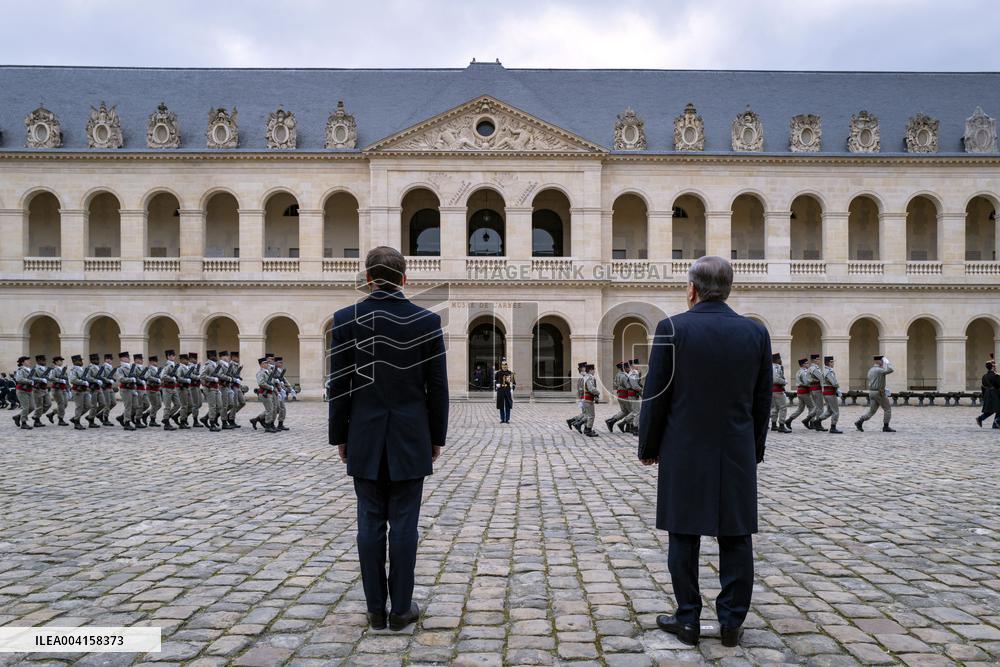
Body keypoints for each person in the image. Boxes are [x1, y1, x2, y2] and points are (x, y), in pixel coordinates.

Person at [638, 256, 770, 649]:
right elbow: (762, 400)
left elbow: (655, 396)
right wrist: (754, 449)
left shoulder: (671, 328)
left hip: (683, 448)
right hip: (735, 449)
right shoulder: (755, 333)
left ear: (692, 289)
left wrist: (649, 446)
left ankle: (689, 618)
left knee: (684, 534)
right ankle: (731, 623)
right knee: (736, 536)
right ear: (728, 289)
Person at [329, 246, 448, 632]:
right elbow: (437, 388)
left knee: (369, 524)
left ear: (367, 279)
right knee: (405, 525)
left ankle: (375, 610)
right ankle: (401, 610)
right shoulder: (427, 321)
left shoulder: (346, 319)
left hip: (363, 436)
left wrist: (340, 436)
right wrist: (435, 436)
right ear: (404, 279)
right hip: (411, 437)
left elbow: (340, 385)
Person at [855, 355, 896, 432]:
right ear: (879, 361)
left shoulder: (870, 370)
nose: (883, 362)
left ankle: (860, 421)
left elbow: (874, 380)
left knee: (872, 411)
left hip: (872, 392)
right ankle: (886, 427)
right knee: (887, 409)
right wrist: (888, 363)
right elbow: (891, 369)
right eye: (882, 361)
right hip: (879, 392)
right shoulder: (879, 370)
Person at [783, 358, 812, 431]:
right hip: (805, 392)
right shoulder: (804, 372)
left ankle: (789, 420)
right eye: (806, 363)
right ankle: (810, 422)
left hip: (800, 391)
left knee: (800, 409)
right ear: (803, 365)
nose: (808, 364)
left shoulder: (798, 372)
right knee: (812, 407)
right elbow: (806, 382)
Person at [250, 356, 277, 433]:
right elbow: (261, 383)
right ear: (261, 365)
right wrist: (271, 387)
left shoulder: (267, 372)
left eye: (267, 363)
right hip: (264, 393)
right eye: (265, 363)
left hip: (269, 393)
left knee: (271, 409)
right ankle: (268, 426)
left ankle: (259, 421)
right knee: (269, 410)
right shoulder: (260, 373)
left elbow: (271, 381)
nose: (266, 364)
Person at [605, 361, 630, 433]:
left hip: (620, 395)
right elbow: (628, 386)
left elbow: (615, 385)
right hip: (625, 394)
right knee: (632, 412)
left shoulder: (617, 375)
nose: (628, 368)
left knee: (624, 411)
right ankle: (627, 426)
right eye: (627, 367)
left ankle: (611, 421)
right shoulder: (624, 376)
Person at [820, 356, 842, 434]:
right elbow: (834, 382)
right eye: (832, 362)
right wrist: (838, 389)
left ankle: (818, 421)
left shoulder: (827, 370)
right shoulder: (828, 371)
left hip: (827, 392)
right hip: (830, 393)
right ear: (829, 363)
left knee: (829, 411)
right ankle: (833, 427)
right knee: (836, 411)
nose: (833, 363)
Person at [975, 359, 1000, 429]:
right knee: (997, 409)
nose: (995, 367)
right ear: (992, 367)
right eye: (994, 366)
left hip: (987, 394)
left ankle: (981, 419)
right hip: (995, 394)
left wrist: (984, 396)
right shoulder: (996, 376)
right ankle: (997, 421)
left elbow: (983, 386)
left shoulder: (984, 376)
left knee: (992, 410)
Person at [769, 353, 791, 433]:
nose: (780, 360)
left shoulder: (770, 366)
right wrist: (784, 381)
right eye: (779, 358)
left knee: (775, 408)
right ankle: (781, 425)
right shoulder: (776, 367)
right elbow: (775, 379)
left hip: (772, 390)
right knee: (783, 407)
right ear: (777, 359)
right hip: (778, 390)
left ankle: (774, 425)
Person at [68, 354, 90, 430]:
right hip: (77, 390)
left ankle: (75, 418)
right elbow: (72, 380)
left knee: (88, 406)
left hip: (84, 390)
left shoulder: (82, 369)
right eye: (79, 360)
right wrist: (83, 382)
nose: (81, 362)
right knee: (79, 407)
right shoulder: (73, 369)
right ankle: (77, 422)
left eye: (81, 360)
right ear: (74, 361)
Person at [577, 363, 599, 437]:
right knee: (591, 416)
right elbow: (591, 389)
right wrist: (597, 392)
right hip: (588, 399)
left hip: (587, 399)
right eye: (594, 369)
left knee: (588, 415)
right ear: (590, 370)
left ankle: (586, 429)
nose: (594, 371)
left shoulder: (586, 377)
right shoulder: (589, 378)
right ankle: (588, 430)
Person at [12, 356, 34, 429]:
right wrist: (30, 381)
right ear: (22, 362)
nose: (29, 362)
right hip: (22, 390)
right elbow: (19, 379)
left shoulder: (30, 370)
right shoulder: (20, 370)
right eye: (27, 361)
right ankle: (24, 423)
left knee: (32, 407)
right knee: (26, 407)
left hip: (29, 389)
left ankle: (18, 416)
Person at [46, 356, 69, 426]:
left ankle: (52, 414)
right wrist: (60, 380)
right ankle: (60, 419)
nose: (61, 362)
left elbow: (66, 379)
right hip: (56, 388)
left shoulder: (62, 369)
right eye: (60, 361)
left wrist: (68, 387)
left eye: (62, 361)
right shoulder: (54, 369)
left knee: (65, 404)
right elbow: (51, 377)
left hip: (63, 388)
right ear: (56, 362)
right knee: (61, 404)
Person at [806, 353, 827, 431]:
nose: (819, 360)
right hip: (817, 389)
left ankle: (807, 420)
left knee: (817, 407)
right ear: (814, 360)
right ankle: (818, 424)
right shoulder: (814, 368)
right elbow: (821, 378)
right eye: (818, 359)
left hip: (813, 389)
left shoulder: (811, 368)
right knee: (820, 408)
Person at [567, 361, 588, 430]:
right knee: (587, 414)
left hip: (583, 398)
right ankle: (583, 426)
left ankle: (572, 421)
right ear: (583, 368)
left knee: (585, 414)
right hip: (585, 398)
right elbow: (581, 390)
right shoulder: (583, 377)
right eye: (585, 367)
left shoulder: (582, 377)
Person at [494, 358, 515, 423]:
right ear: (501, 366)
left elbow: (513, 382)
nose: (504, 367)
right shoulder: (498, 373)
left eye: (505, 366)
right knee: (501, 405)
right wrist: (497, 385)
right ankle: (502, 419)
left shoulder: (510, 373)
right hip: (500, 391)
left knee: (507, 405)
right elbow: (495, 381)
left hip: (507, 390)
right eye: (503, 366)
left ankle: (507, 419)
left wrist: (512, 389)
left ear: (507, 366)